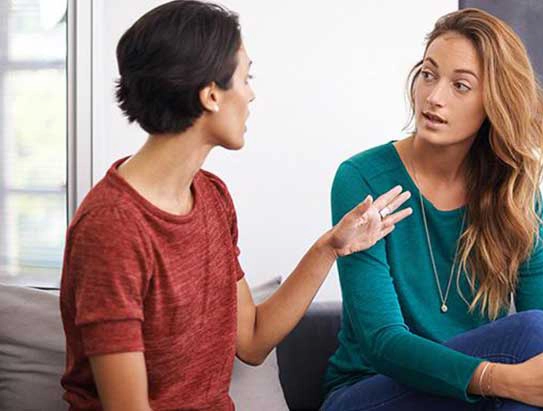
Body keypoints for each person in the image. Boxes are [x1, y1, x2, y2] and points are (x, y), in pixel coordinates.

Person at [58, 1, 411, 410]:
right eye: (246, 77)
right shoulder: (112, 228)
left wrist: (330, 248)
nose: (252, 93)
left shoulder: (212, 196)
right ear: (210, 94)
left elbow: (253, 339)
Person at [322, 8, 543, 411]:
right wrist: (503, 379)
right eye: (428, 74)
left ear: (494, 101)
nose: (434, 96)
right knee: (531, 340)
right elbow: (383, 342)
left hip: (473, 398)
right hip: (374, 392)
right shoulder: (363, 179)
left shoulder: (513, 189)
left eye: (460, 85)